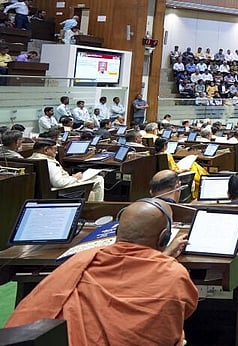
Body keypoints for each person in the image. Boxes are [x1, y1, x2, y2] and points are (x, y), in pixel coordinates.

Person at [5, 199, 198, 345]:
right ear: (164, 238)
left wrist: (162, 257)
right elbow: (178, 315)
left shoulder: (82, 258)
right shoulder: (173, 274)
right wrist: (163, 260)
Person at [29, 138, 105, 201]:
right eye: (54, 149)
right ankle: (97, 207)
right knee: (99, 179)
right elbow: (58, 183)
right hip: (60, 190)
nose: (57, 152)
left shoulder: (31, 159)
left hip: (48, 190)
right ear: (46, 150)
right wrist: (75, 178)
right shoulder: (49, 163)